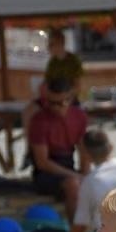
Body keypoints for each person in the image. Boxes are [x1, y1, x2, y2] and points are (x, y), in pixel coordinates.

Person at [27, 77, 89, 222]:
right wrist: (76, 176)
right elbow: (42, 162)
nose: (56, 107)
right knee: (73, 185)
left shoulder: (79, 116)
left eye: (61, 102)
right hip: (46, 172)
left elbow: (84, 150)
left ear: (70, 98)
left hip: (68, 163)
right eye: (51, 103)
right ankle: (76, 231)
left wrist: (86, 175)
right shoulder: (39, 120)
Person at [22, 28, 85, 137]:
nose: (48, 48)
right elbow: (46, 84)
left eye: (51, 44)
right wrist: (48, 94)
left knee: (62, 116)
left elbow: (77, 87)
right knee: (28, 112)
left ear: (61, 44)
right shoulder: (52, 63)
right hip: (52, 98)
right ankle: (32, 147)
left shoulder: (73, 61)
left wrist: (61, 97)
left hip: (67, 99)